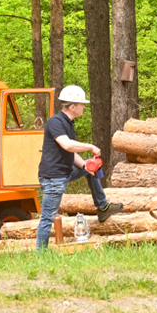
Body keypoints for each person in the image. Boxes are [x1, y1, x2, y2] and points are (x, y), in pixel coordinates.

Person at [36, 85, 123, 251]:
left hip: (64, 172)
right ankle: (41, 254)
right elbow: (67, 145)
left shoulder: (68, 123)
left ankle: (103, 208)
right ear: (72, 106)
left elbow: (70, 153)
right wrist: (89, 146)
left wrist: (85, 165)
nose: (84, 107)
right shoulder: (56, 122)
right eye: (82, 104)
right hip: (54, 177)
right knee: (47, 218)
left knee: (92, 170)